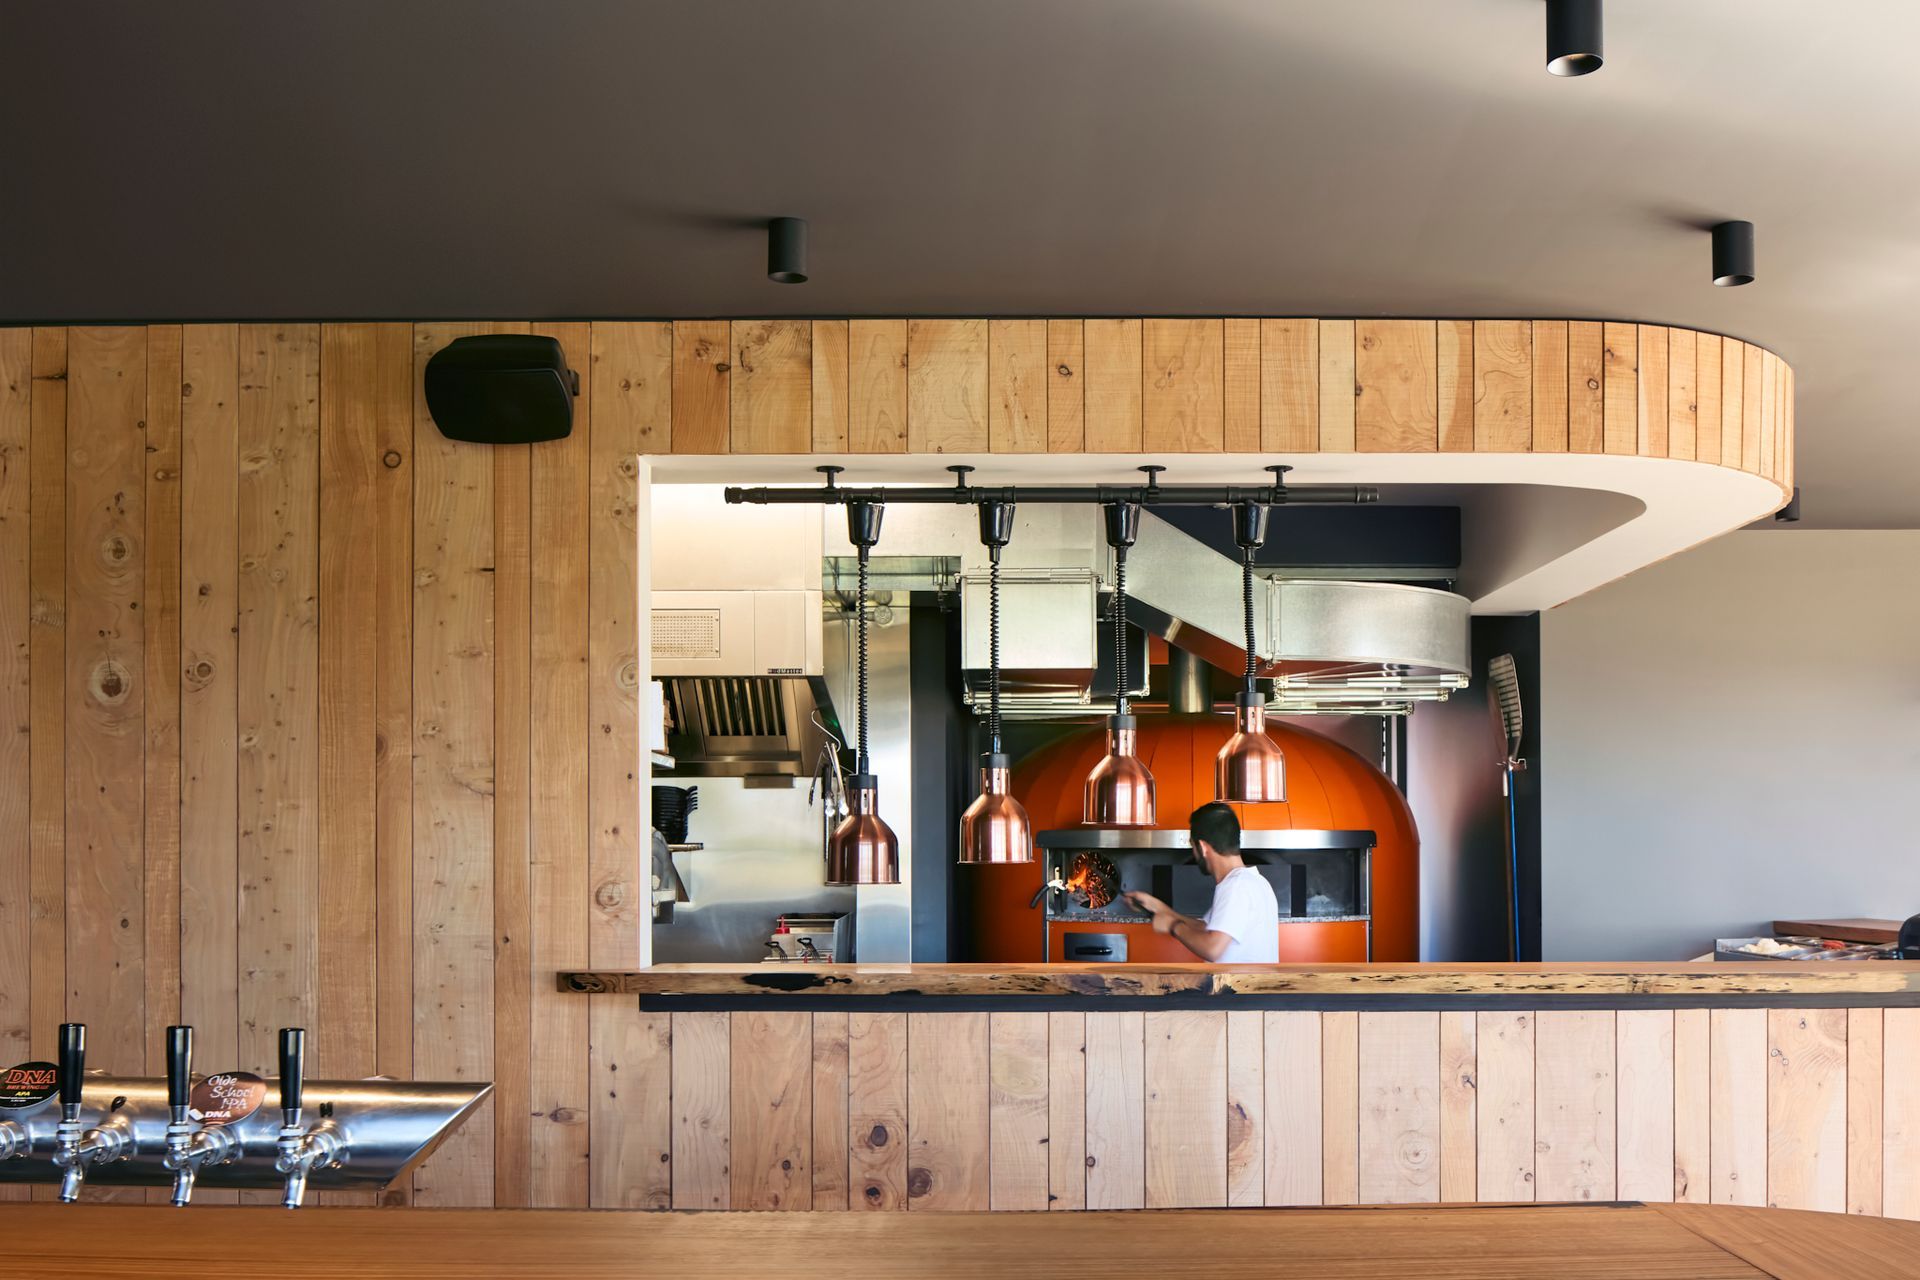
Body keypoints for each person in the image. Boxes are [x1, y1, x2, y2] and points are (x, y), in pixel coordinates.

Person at [1122, 802, 1279, 962]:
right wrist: (1158, 907)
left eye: (1193, 846)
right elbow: (1205, 928)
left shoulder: (1235, 886)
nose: (1194, 853)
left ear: (1203, 847)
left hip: (1236, 980)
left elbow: (1212, 948)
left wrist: (1173, 926)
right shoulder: (1255, 881)